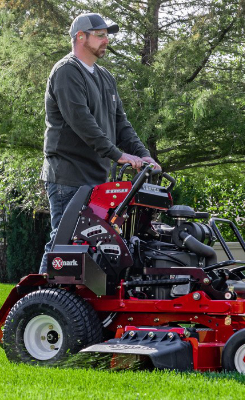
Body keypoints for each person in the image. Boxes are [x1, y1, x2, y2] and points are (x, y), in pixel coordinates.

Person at [38, 13, 159, 274]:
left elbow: (121, 125)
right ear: (80, 37)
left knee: (91, 248)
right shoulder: (67, 72)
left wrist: (143, 155)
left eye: (107, 35)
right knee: (63, 243)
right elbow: (82, 123)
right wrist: (118, 155)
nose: (106, 40)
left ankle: (74, 310)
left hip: (97, 179)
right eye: (100, 35)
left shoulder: (105, 77)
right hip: (68, 176)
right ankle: (39, 304)